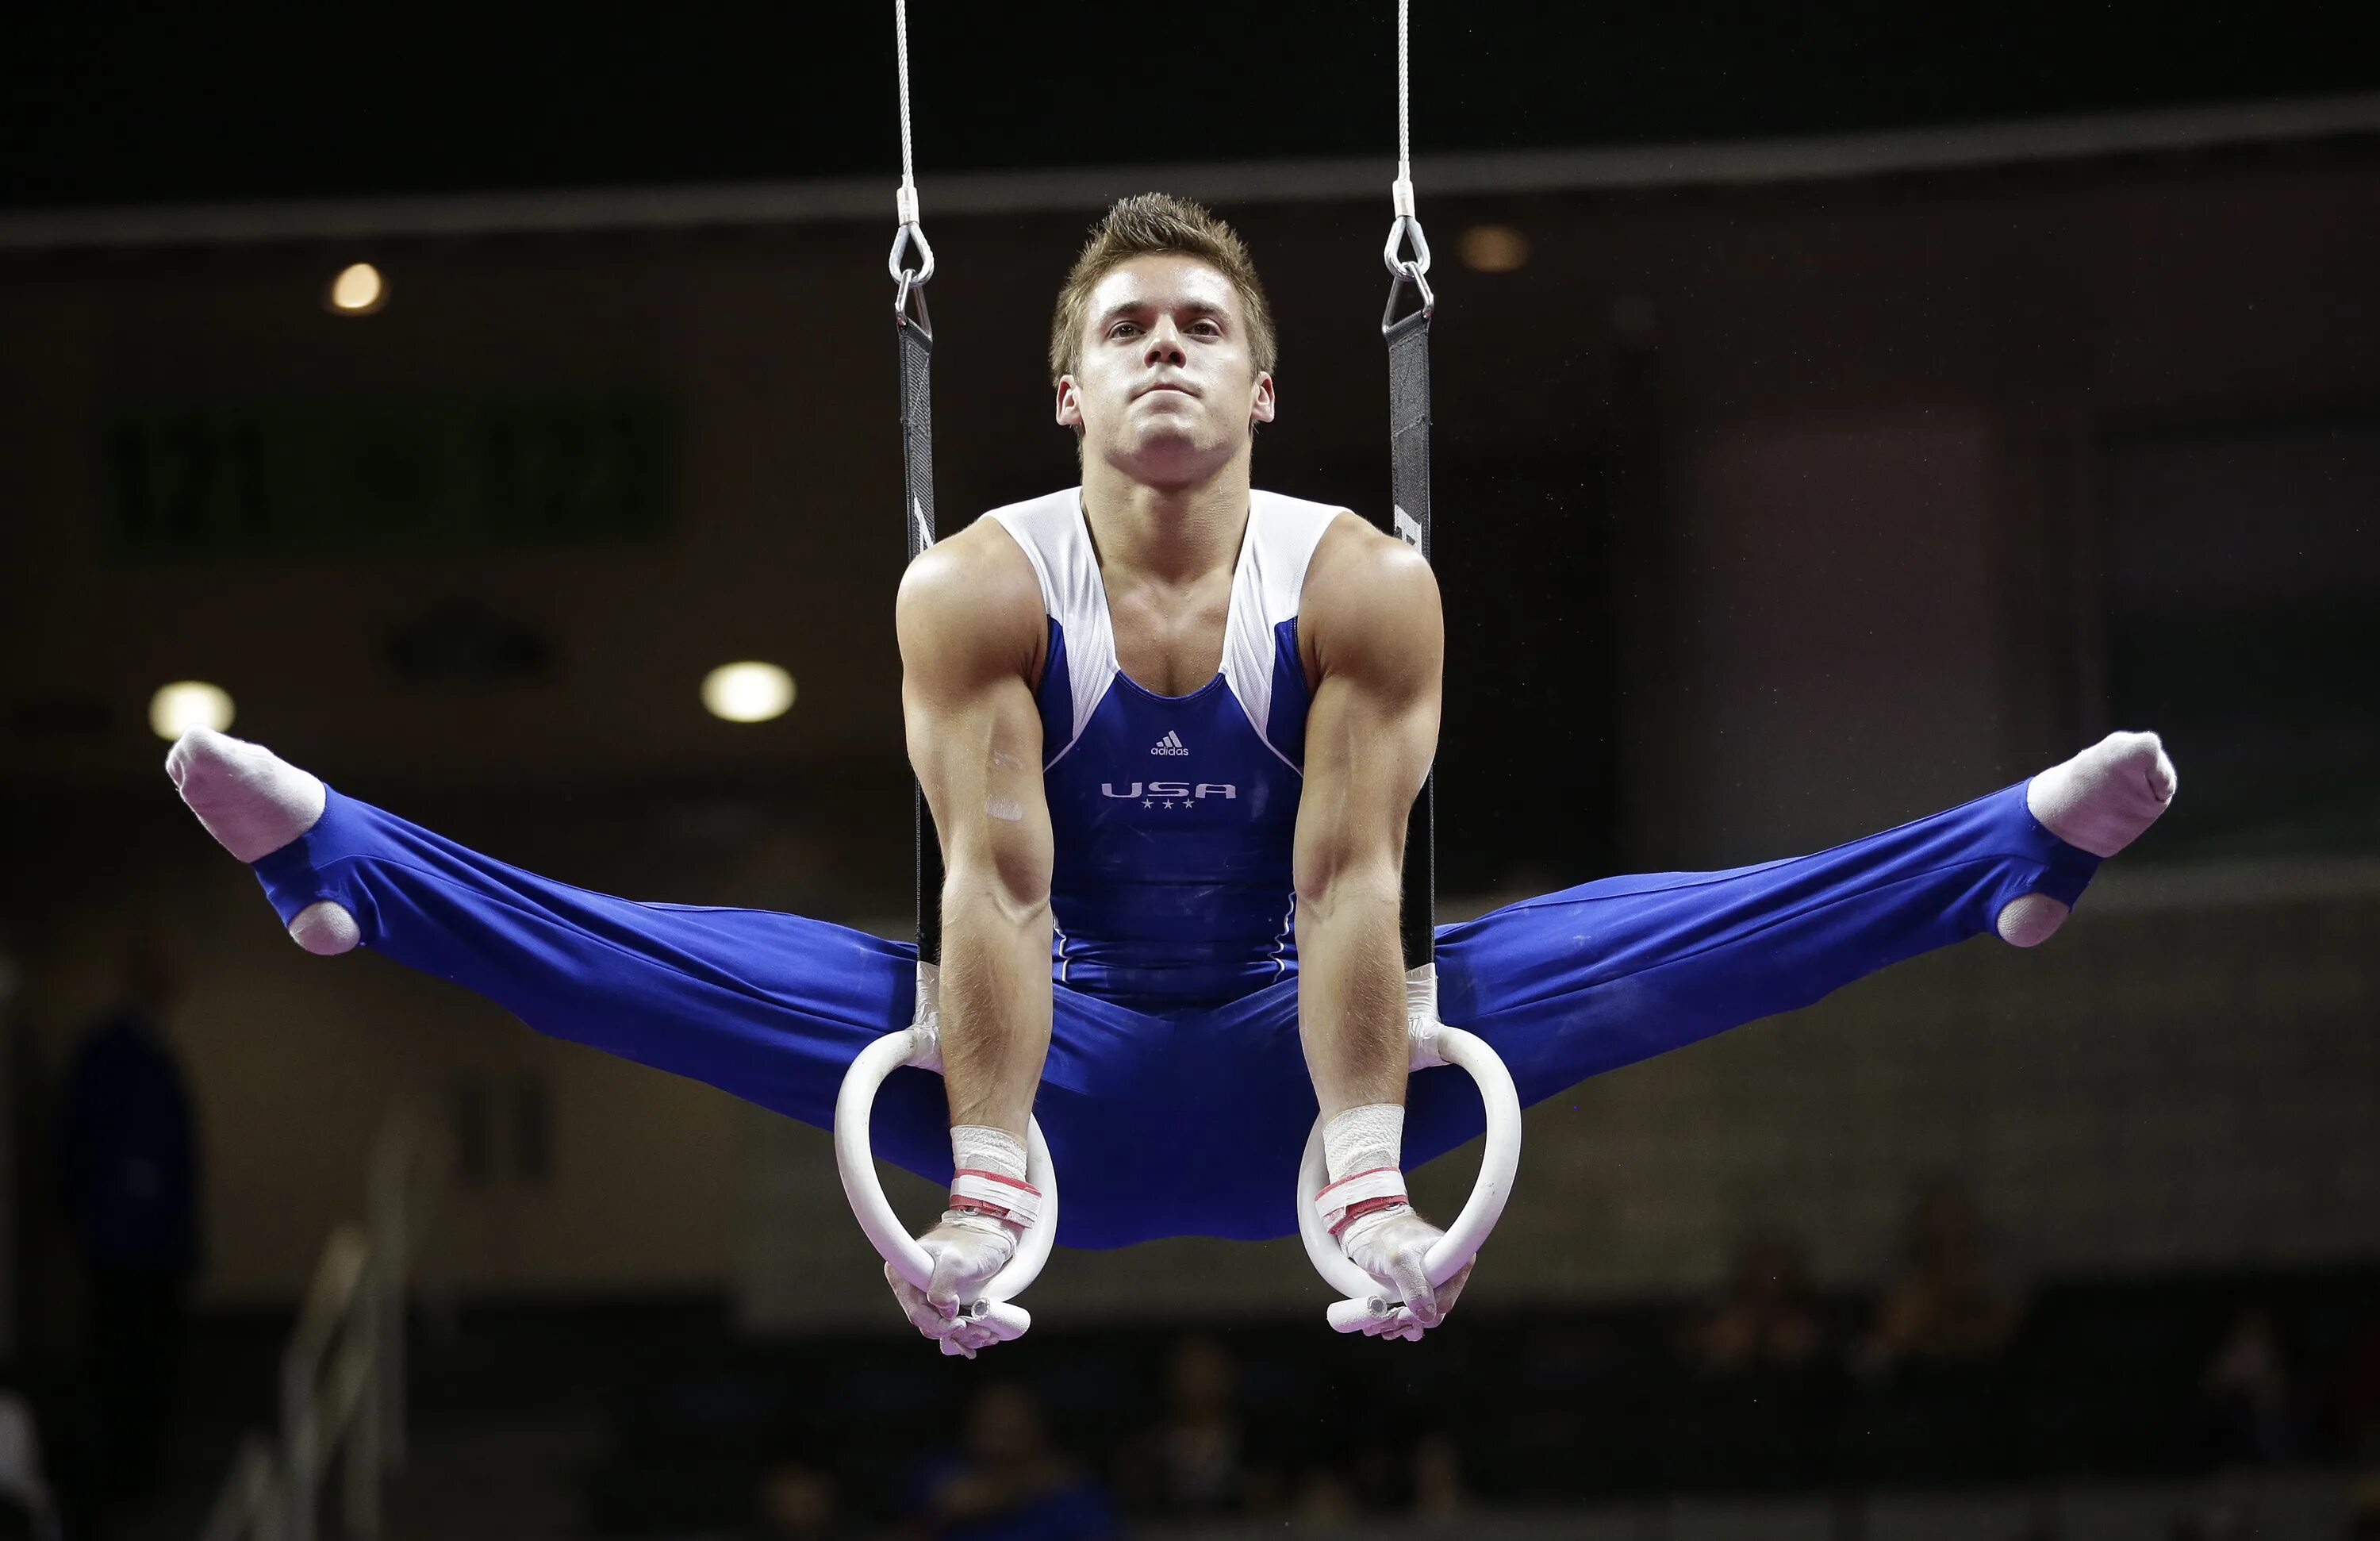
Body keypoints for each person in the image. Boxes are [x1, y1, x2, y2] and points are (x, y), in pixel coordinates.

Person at [163, 194, 2178, 1355]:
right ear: (1061, 391)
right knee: (696, 967)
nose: (1161, 352)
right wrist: (981, 1172)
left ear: (1263, 384)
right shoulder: (971, 587)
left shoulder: (1365, 583)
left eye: (1199, 326)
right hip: (1028, 1053)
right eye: (1123, 326)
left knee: (1638, 948)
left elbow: (1355, 887)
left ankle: (2005, 852)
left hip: (1326, 1050)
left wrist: (1376, 1179)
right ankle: (344, 863)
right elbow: (995, 884)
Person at [56, 945, 202, 1503]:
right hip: (123, 1247)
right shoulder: (113, 1055)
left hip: (153, 1247)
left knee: (150, 1366)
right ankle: (119, 1477)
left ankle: (137, 1472)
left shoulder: (154, 1056)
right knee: (123, 1365)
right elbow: (79, 1148)